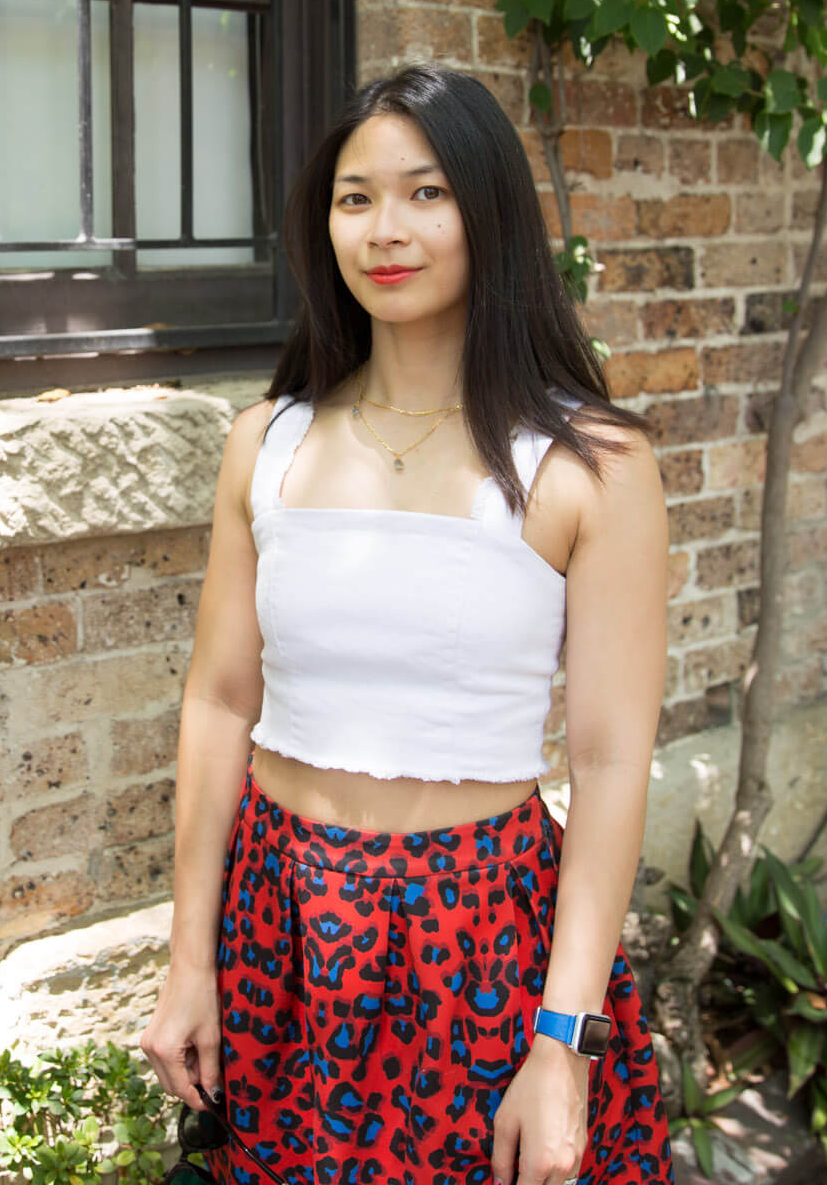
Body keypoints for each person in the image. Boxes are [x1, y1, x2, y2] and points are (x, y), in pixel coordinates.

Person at [141, 65, 675, 1185]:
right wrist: (188, 957)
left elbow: (613, 758)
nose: (385, 229)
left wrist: (562, 1041)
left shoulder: (589, 465)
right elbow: (220, 698)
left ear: (486, 210)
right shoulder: (268, 442)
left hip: (481, 942)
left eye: (424, 193)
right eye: (353, 197)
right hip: (281, 924)